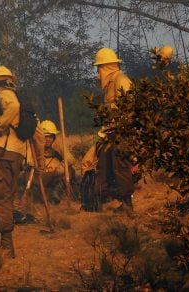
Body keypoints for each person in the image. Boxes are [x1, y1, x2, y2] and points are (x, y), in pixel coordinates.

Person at [0, 65, 44, 258]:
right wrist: (40, 161)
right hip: (17, 155)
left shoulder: (5, 94)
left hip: (2, 151)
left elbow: (12, 107)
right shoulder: (25, 105)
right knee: (2, 194)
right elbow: (40, 135)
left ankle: (7, 244)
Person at [81, 48, 136, 212]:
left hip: (120, 133)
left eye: (99, 69)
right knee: (103, 167)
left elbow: (129, 107)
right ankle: (97, 202)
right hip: (109, 134)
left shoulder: (121, 80)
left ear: (105, 67)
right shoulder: (109, 85)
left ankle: (127, 205)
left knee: (120, 168)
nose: (98, 73)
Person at [35, 119, 75, 204]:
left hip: (55, 177)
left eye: (50, 136)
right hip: (40, 178)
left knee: (70, 170)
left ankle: (56, 193)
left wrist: (60, 168)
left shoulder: (58, 146)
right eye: (45, 136)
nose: (48, 139)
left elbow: (71, 159)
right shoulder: (36, 147)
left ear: (54, 138)